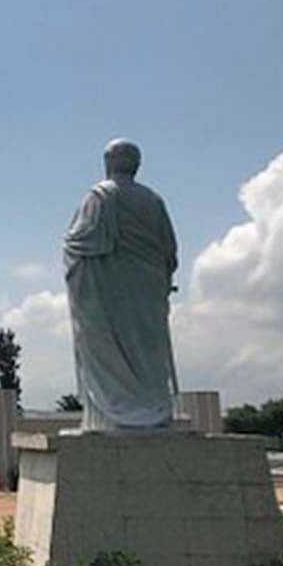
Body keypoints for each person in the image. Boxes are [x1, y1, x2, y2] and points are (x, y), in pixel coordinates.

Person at [63, 139, 179, 431]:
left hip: (107, 294)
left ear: (108, 162)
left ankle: (114, 413)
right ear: (137, 165)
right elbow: (170, 252)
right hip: (149, 291)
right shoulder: (153, 200)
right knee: (147, 351)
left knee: (108, 345)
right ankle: (153, 407)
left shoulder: (100, 196)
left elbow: (79, 243)